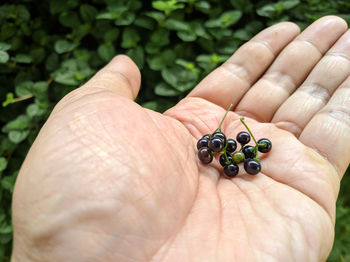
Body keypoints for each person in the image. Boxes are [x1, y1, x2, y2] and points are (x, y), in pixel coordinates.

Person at [10, 15, 350, 262]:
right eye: (219, 146)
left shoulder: (233, 153)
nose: (220, 150)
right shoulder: (224, 151)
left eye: (221, 147)